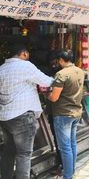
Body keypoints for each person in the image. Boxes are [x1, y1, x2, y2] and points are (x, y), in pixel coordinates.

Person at [0, 44, 54, 179]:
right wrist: (59, 80)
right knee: (24, 154)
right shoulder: (25, 66)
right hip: (23, 116)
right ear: (23, 53)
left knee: (9, 151)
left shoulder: (1, 69)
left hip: (5, 117)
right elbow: (46, 81)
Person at [47, 50, 85, 179]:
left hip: (63, 114)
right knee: (72, 144)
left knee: (65, 147)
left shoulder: (61, 74)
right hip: (76, 112)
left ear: (61, 60)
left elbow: (54, 98)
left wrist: (47, 94)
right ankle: (71, 172)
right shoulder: (80, 71)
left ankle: (68, 176)